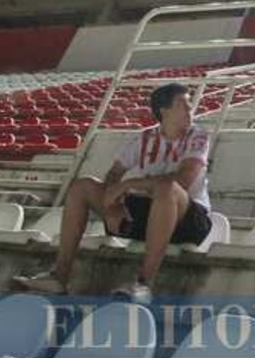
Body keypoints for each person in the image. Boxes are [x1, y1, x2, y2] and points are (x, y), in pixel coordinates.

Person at [13, 82, 212, 303]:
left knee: (167, 188)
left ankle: (144, 284)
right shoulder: (144, 138)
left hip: (189, 220)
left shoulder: (198, 135)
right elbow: (114, 174)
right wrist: (113, 206)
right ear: (164, 111)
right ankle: (59, 277)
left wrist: (129, 185)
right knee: (82, 187)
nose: (190, 109)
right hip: (150, 214)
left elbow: (183, 180)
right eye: (183, 104)